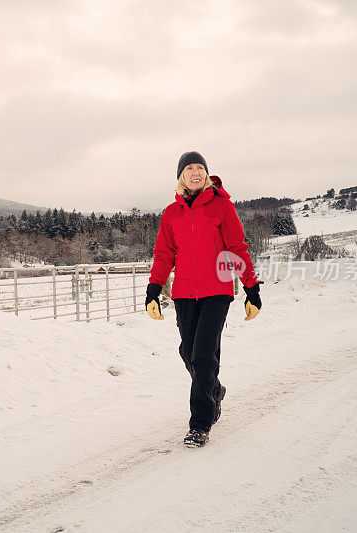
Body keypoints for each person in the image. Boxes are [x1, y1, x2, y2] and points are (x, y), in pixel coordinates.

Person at [145, 151, 262, 448]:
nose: (195, 172)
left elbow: (237, 249)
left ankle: (200, 424)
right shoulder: (171, 214)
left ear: (207, 174)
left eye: (200, 167)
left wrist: (252, 289)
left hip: (217, 292)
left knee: (203, 355)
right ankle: (214, 389)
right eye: (189, 168)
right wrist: (153, 290)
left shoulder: (223, 207)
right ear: (181, 176)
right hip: (184, 293)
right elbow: (164, 255)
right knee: (188, 351)